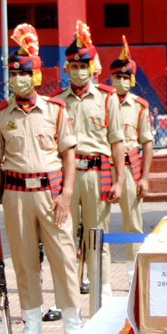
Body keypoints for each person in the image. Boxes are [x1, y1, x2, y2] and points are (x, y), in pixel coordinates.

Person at [0, 24, 82, 334]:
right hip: (16, 198)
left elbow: (69, 154)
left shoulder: (55, 111)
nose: (17, 79)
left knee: (64, 259)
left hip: (52, 196)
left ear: (35, 76)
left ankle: (73, 326)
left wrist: (67, 194)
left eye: (23, 73)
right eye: (13, 74)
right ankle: (32, 329)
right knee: (25, 263)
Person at [53, 21, 125, 299]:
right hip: (66, 178)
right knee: (64, 238)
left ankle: (103, 294)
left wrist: (119, 181)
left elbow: (117, 143)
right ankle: (64, 297)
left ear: (92, 67)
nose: (80, 71)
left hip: (98, 174)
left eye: (85, 66)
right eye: (75, 66)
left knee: (98, 237)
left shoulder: (108, 99)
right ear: (67, 68)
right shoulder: (57, 102)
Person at [109, 37, 153, 285]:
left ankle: (132, 277)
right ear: (111, 78)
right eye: (118, 77)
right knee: (96, 228)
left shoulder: (139, 106)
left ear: (132, 79)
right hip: (105, 168)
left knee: (133, 226)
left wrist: (145, 177)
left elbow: (147, 144)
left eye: (126, 78)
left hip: (130, 167)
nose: (122, 81)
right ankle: (95, 279)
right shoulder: (103, 102)